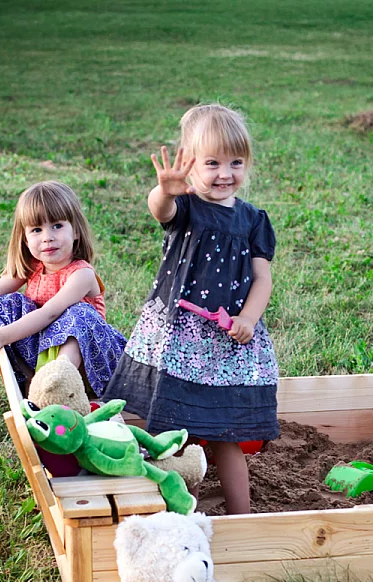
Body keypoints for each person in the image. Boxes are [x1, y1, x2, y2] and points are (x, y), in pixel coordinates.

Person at [103, 104, 280, 515]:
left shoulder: (253, 220)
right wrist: (165, 189)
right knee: (178, 434)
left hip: (228, 343)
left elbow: (262, 278)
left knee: (227, 435)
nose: (225, 174)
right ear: (190, 163)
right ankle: (182, 517)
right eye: (212, 162)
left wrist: (249, 319)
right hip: (181, 339)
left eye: (235, 163)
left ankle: (243, 519)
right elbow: (160, 210)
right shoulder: (186, 207)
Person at [0, 180, 127, 397]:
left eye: (57, 226)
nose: (47, 237)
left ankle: (61, 383)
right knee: (5, 303)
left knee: (79, 314)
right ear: (25, 239)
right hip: (44, 354)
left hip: (89, 361)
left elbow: (49, 313)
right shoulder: (32, 267)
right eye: (36, 229)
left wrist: (1, 337)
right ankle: (32, 382)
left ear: (76, 232)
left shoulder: (82, 274)